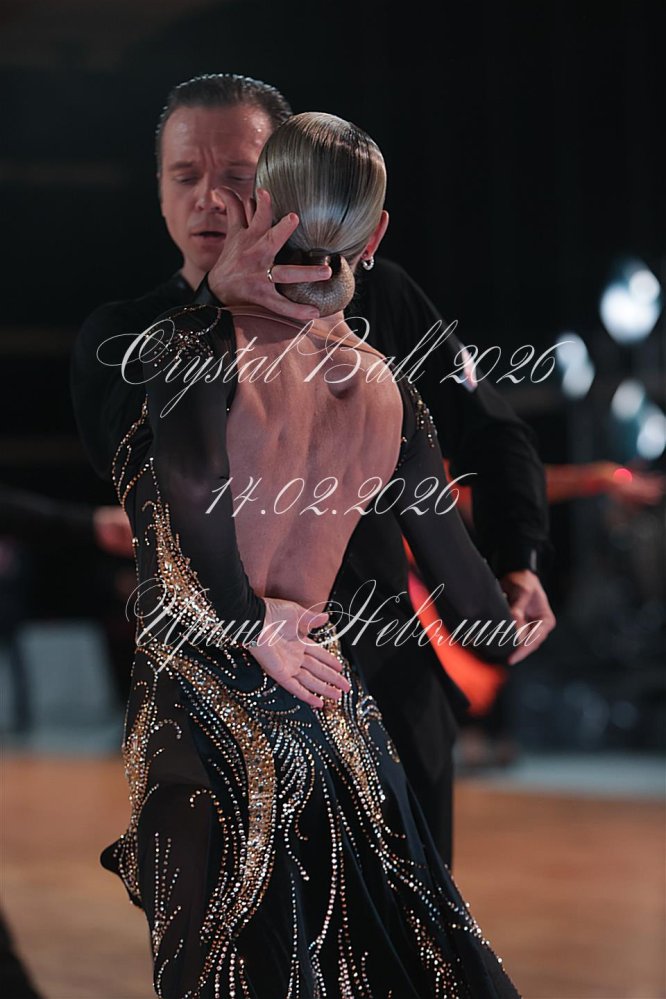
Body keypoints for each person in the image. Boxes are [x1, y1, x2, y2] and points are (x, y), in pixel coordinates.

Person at [87, 110, 522, 998]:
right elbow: (476, 610)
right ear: (376, 234)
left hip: (203, 723)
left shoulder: (191, 345)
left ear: (258, 205)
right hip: (334, 715)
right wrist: (515, 612)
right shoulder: (391, 391)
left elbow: (197, 481)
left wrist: (249, 622)